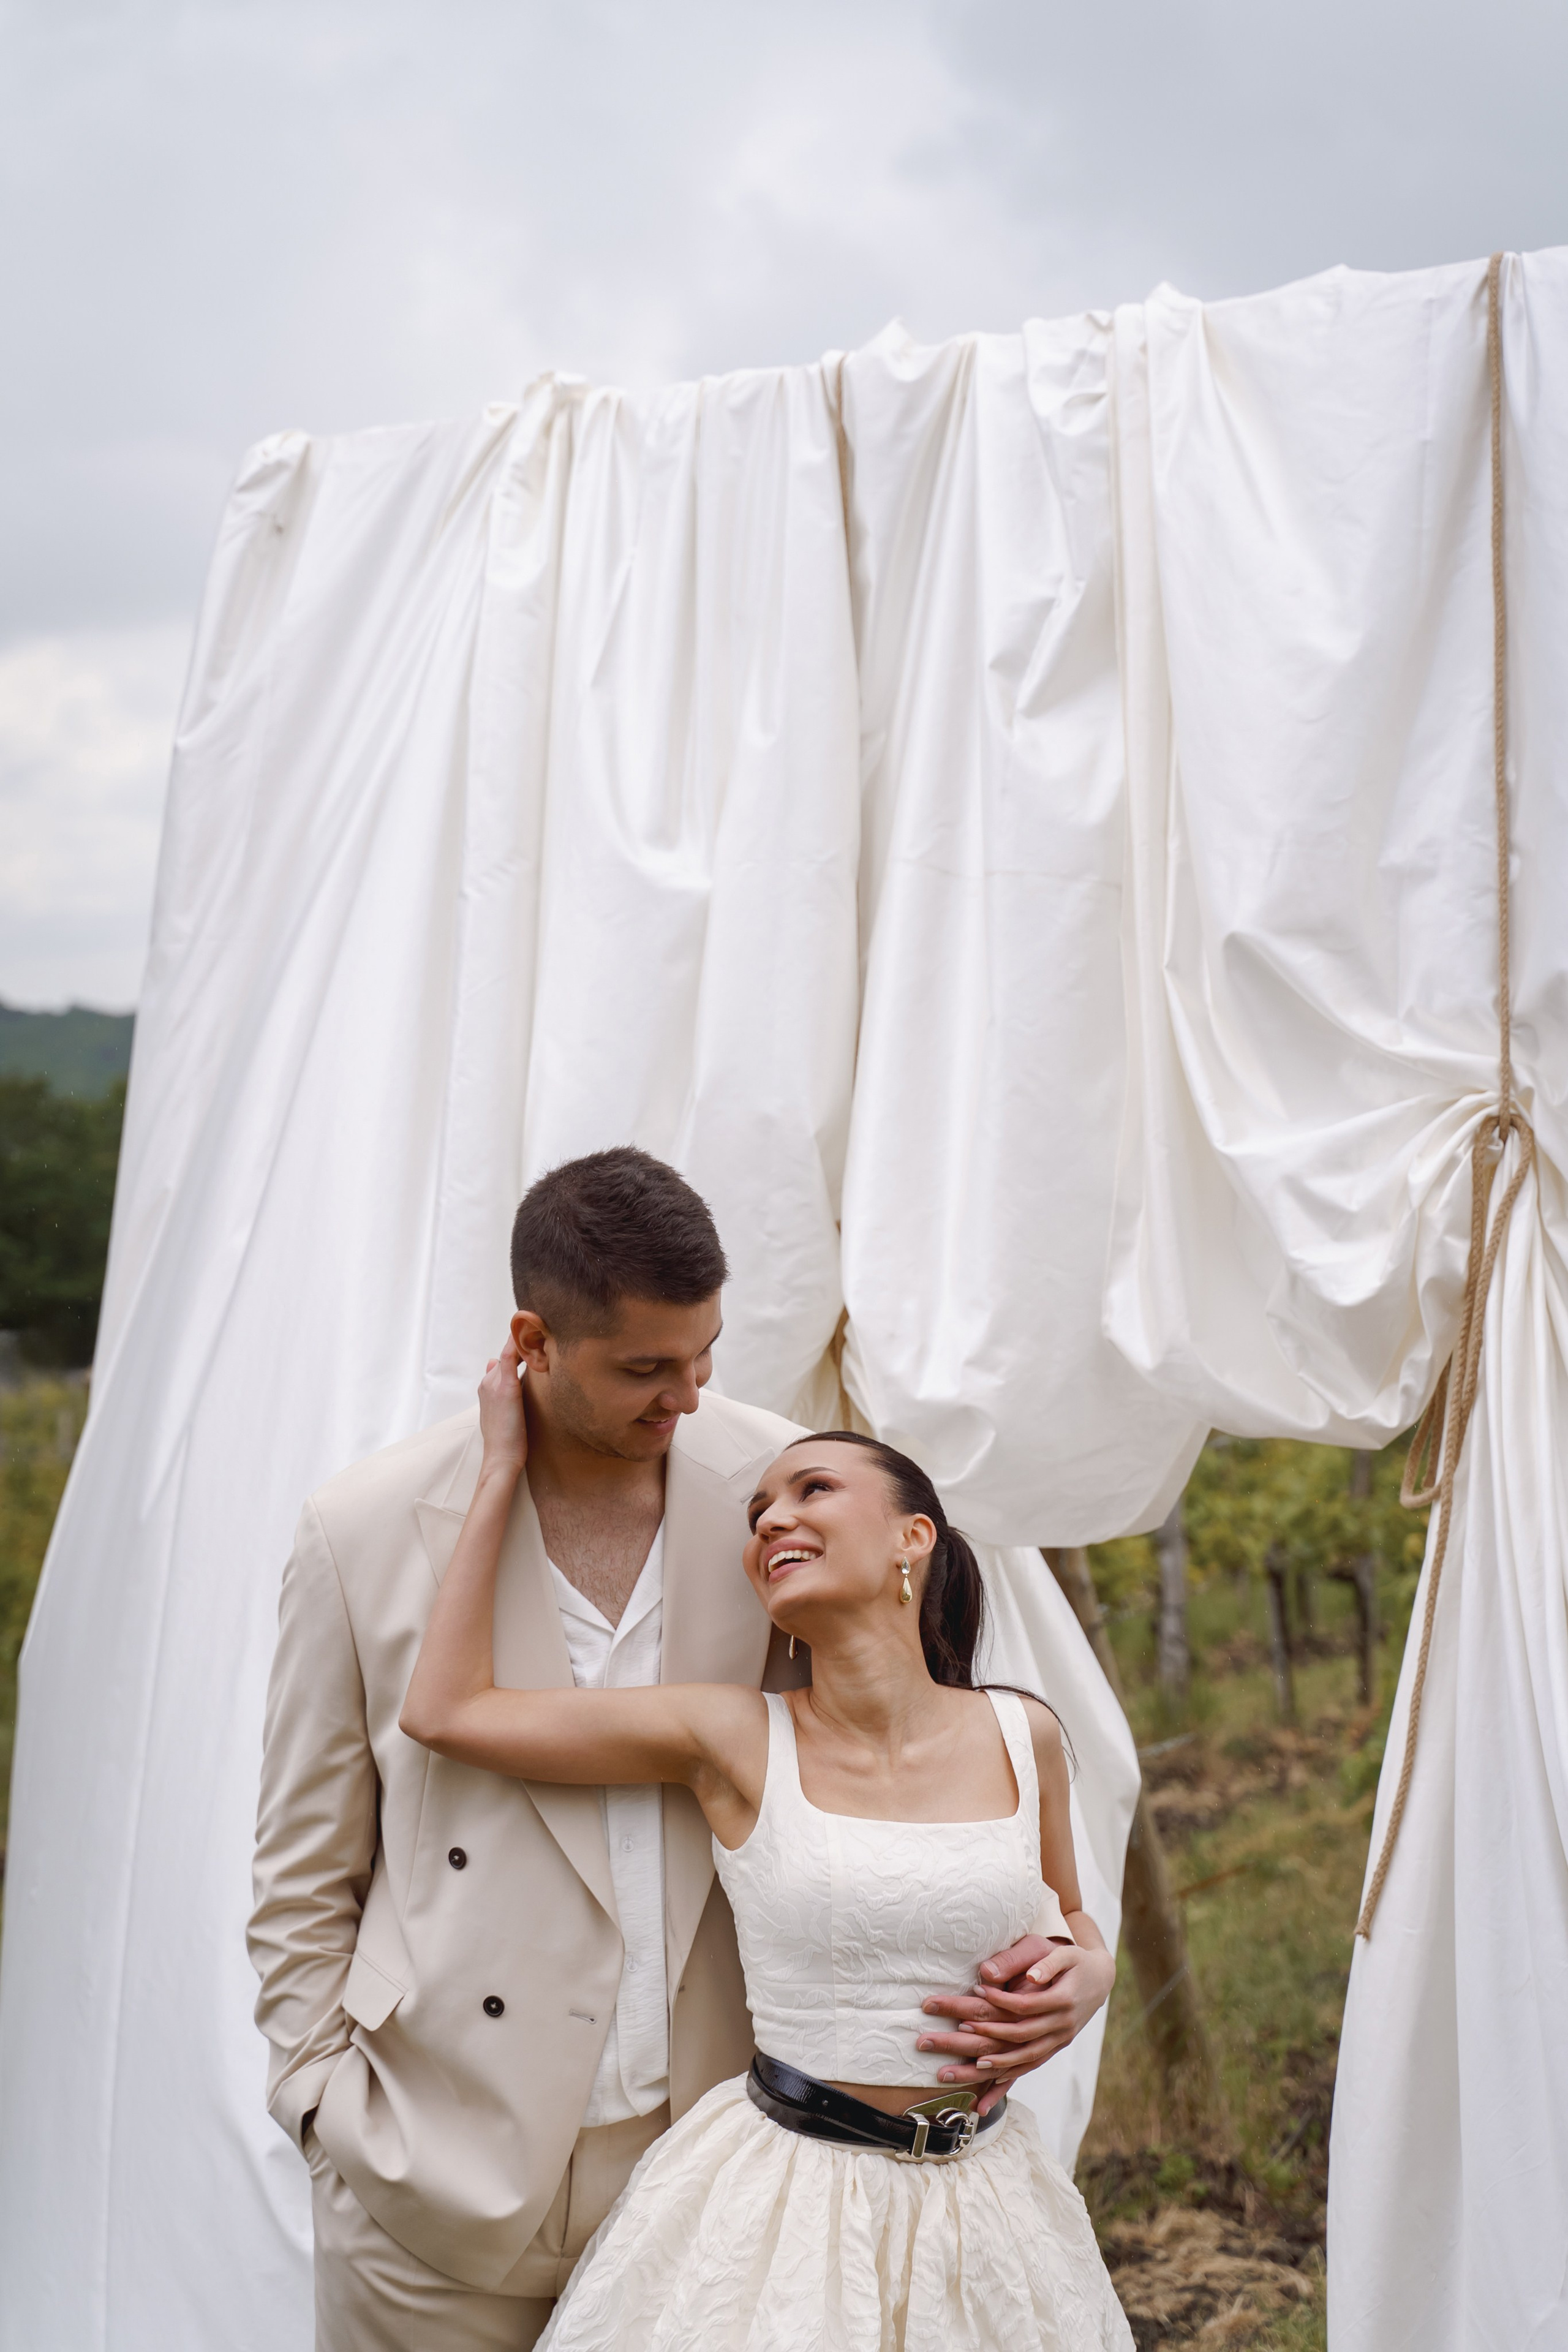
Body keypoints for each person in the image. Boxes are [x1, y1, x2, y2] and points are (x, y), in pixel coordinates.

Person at [249, 1147, 1084, 2351]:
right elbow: (301, 1857)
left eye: (702, 1358)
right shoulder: (364, 1527)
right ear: (532, 1342)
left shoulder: (772, 1493)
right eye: (645, 1369)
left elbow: (890, 1784)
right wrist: (321, 2102)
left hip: (728, 2166)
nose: (684, 1397)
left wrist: (1069, 1970)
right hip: (434, 2166)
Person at [398, 1335, 1133, 2350]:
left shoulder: (1024, 1732)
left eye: (813, 1489)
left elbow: (1074, 1916)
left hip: (988, 2205)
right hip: (787, 2206)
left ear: (913, 1537)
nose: (774, 1519)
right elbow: (446, 1710)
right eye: (758, 1514)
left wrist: (1093, 1969)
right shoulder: (734, 1737)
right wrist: (499, 1477)